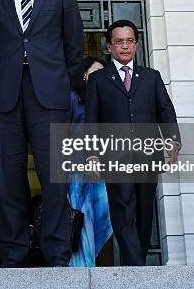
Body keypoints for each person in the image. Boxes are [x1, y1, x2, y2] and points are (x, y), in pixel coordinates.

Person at [0, 0, 85, 267]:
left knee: (54, 176)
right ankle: (14, 253)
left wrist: (64, 85)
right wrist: (0, 82)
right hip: (7, 97)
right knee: (9, 177)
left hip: (50, 95)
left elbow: (74, 46)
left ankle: (57, 251)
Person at [85, 19, 180, 266]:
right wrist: (92, 154)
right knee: (123, 206)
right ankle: (135, 266)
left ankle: (136, 260)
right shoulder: (98, 80)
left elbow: (165, 111)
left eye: (129, 41)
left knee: (144, 210)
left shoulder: (151, 77)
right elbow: (92, 120)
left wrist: (172, 140)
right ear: (109, 46)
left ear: (136, 45)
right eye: (119, 42)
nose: (125, 46)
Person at [68, 56, 113, 267]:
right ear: (84, 75)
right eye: (94, 73)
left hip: (104, 169)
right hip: (77, 168)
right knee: (82, 218)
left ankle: (92, 263)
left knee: (106, 218)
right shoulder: (72, 99)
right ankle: (81, 268)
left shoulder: (109, 101)